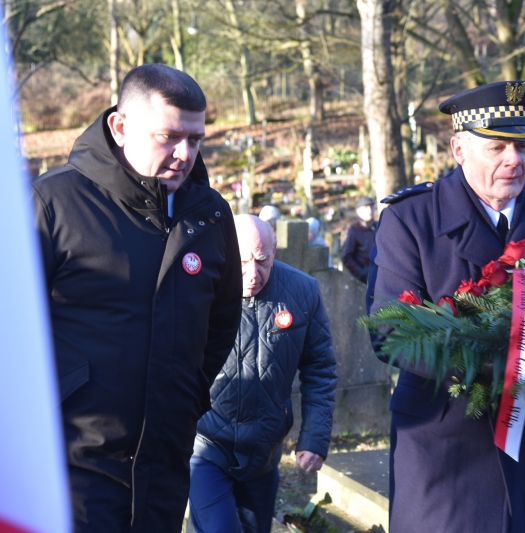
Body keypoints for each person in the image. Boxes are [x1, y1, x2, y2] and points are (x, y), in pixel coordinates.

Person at [32, 64, 242, 532]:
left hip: (164, 462)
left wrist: (187, 394)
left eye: (196, 139)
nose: (184, 154)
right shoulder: (53, 203)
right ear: (120, 127)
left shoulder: (209, 215)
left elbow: (222, 320)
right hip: (71, 464)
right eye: (169, 137)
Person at [368, 81, 525, 532]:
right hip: (441, 439)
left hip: (519, 433)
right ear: (459, 149)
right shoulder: (410, 219)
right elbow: (390, 333)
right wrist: (494, 360)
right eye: (497, 147)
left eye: (523, 146)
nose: (514, 160)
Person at [190, 215, 337, 533]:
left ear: (274, 251)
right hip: (206, 441)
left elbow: (320, 369)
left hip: (264, 449)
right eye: (243, 262)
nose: (252, 274)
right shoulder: (198, 287)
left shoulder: (302, 291)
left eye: (262, 261)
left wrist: (314, 438)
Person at [340, 195, 375, 283]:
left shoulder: (378, 226)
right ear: (358, 211)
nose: (369, 210)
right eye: (366, 207)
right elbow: (346, 256)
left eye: (371, 207)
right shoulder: (354, 229)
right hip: (365, 279)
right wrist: (362, 273)